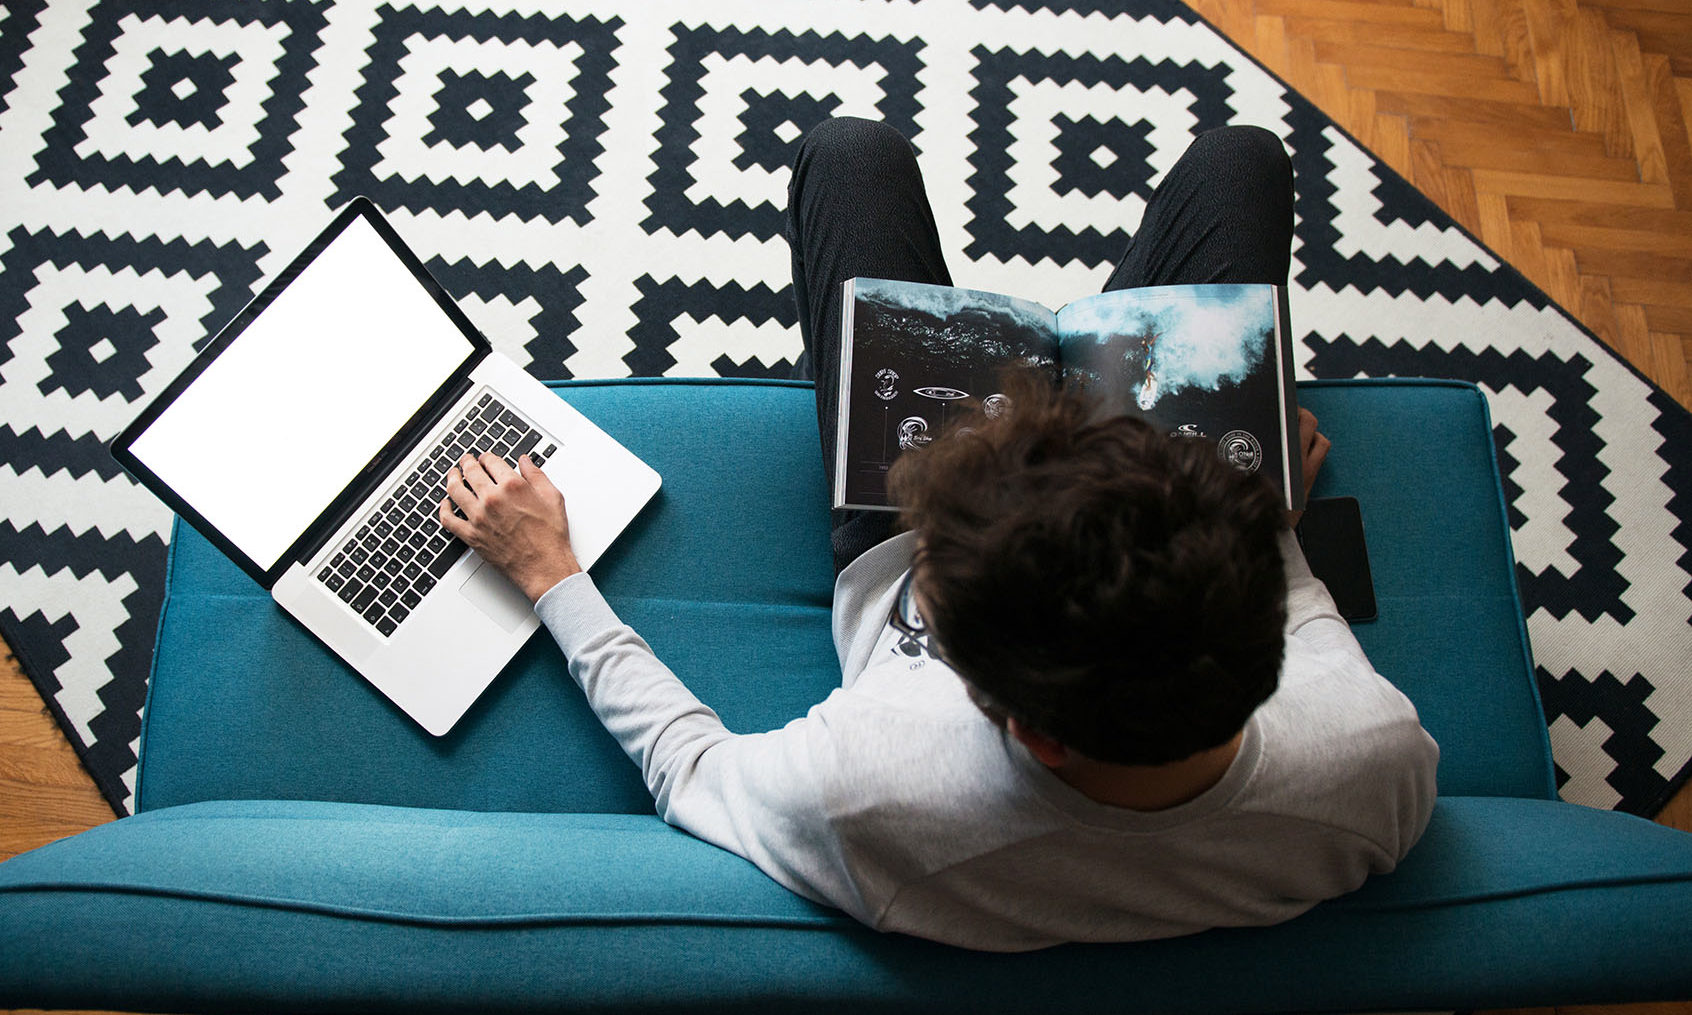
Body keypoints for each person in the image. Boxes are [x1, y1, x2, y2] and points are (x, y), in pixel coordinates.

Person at [435, 117, 1440, 952]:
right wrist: (1263, 522)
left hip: (953, 544)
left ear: (1031, 731)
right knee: (1243, 160)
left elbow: (688, 765)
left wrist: (549, 570)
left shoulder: (873, 786)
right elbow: (1291, 606)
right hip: (1159, 513)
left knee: (851, 156)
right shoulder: (1374, 759)